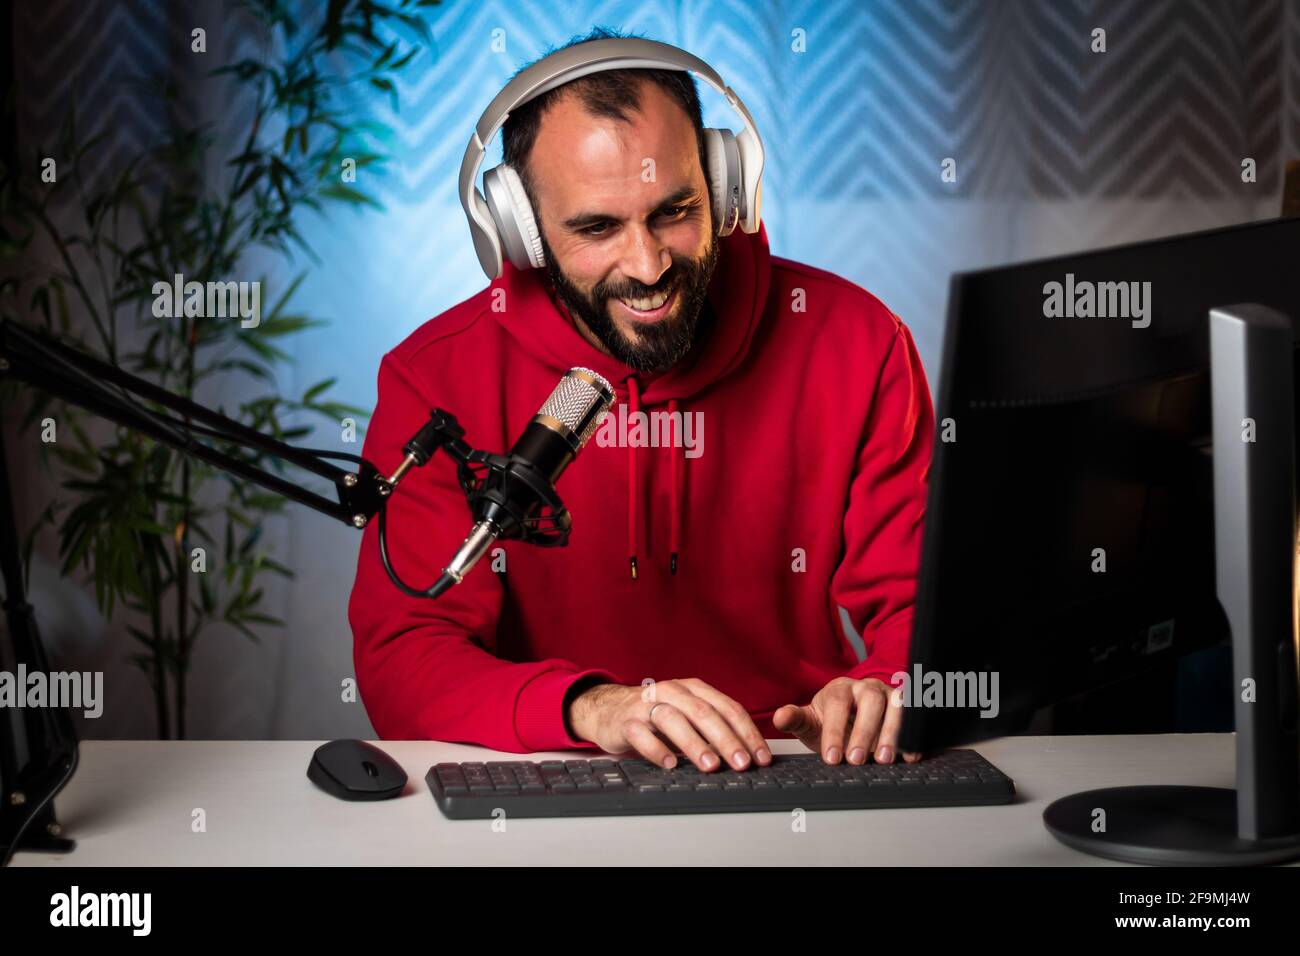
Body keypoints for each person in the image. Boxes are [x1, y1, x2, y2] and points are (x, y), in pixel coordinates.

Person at [348, 29, 934, 773]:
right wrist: (592, 708)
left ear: (725, 186)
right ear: (519, 232)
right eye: (597, 227)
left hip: (798, 767)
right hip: (557, 770)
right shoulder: (433, 378)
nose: (649, 265)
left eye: (673, 211)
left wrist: (892, 688)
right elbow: (403, 659)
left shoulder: (858, 341)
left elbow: (928, 611)